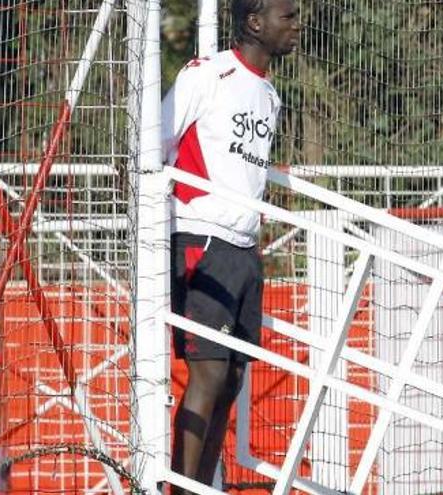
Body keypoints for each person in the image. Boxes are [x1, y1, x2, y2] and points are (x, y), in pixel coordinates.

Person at [161, 0, 299, 491]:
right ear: (255, 23)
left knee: (233, 382)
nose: (296, 25)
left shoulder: (270, 95)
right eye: (288, 16)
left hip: (245, 249)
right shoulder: (206, 75)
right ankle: (180, 488)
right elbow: (157, 146)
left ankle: (202, 485)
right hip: (203, 239)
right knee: (209, 376)